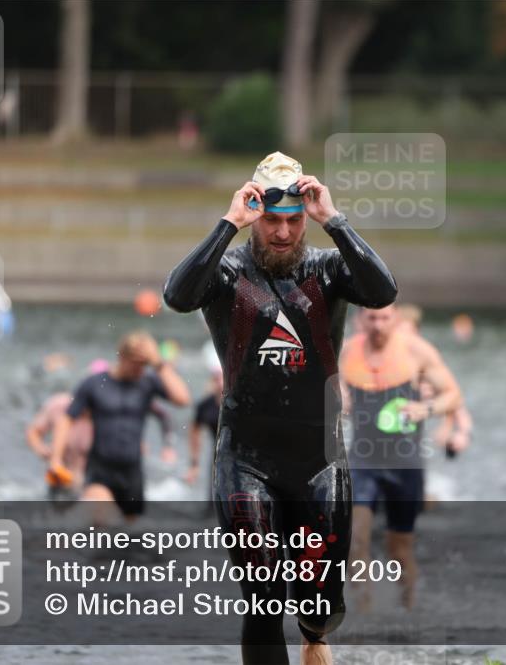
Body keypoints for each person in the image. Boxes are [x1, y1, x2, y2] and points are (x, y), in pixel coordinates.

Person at [163, 151, 397, 665]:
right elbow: (178, 296)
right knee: (264, 601)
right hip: (245, 461)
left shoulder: (330, 270)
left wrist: (335, 221)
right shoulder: (226, 273)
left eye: (293, 221)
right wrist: (228, 224)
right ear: (255, 217)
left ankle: (316, 639)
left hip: (319, 463)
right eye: (272, 221)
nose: (284, 233)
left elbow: (383, 292)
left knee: (319, 611)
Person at [340, 304, 462, 611]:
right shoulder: (345, 352)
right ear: (360, 320)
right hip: (362, 461)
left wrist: (426, 409)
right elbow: (325, 387)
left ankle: (408, 608)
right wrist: (337, 397)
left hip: (405, 463)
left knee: (400, 548)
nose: (378, 324)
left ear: (394, 319)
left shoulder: (416, 351)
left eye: (384, 318)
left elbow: (452, 394)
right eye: (372, 318)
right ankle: (364, 615)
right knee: (356, 540)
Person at [48, 333, 190, 519]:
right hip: (101, 468)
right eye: (136, 364)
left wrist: (157, 362)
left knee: (129, 534)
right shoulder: (95, 383)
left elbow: (182, 399)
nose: (140, 370)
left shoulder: (147, 383)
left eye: (144, 365)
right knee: (99, 519)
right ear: (122, 357)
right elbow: (66, 419)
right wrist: (55, 458)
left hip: (132, 471)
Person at [27, 359, 177, 499]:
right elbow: (33, 431)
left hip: (95, 484)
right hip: (60, 481)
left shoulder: (112, 411)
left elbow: (162, 413)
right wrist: (43, 451)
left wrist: (161, 446)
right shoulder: (59, 406)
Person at [397, 305, 473, 458]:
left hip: (411, 447)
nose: (404, 341)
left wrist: (460, 433)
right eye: (398, 335)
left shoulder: (425, 366)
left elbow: (456, 402)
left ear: (417, 334)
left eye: (408, 334)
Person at [184, 366, 223, 496]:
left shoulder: (240, 401)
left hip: (243, 454)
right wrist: (194, 464)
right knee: (214, 495)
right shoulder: (205, 405)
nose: (220, 382)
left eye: (222, 377)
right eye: (216, 378)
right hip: (218, 455)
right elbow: (194, 432)